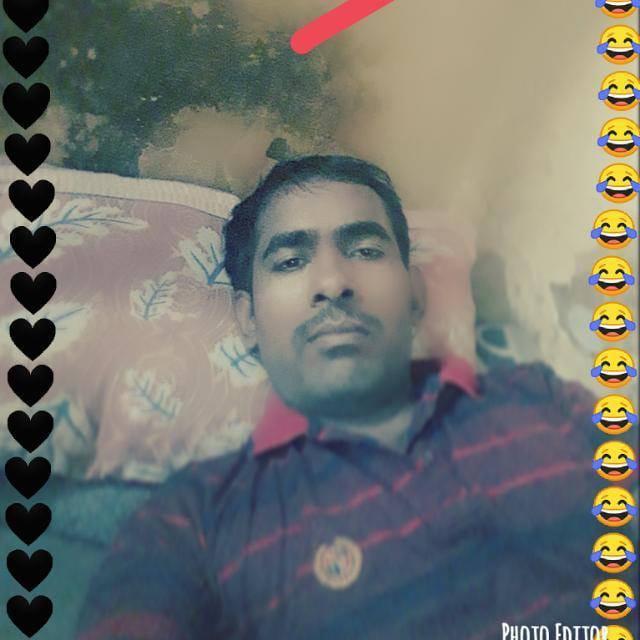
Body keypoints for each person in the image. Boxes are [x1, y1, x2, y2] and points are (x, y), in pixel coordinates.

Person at [75, 155, 614, 640]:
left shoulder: (542, 401)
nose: (332, 282)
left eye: (365, 250)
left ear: (413, 292)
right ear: (248, 318)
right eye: (290, 261)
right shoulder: (191, 521)